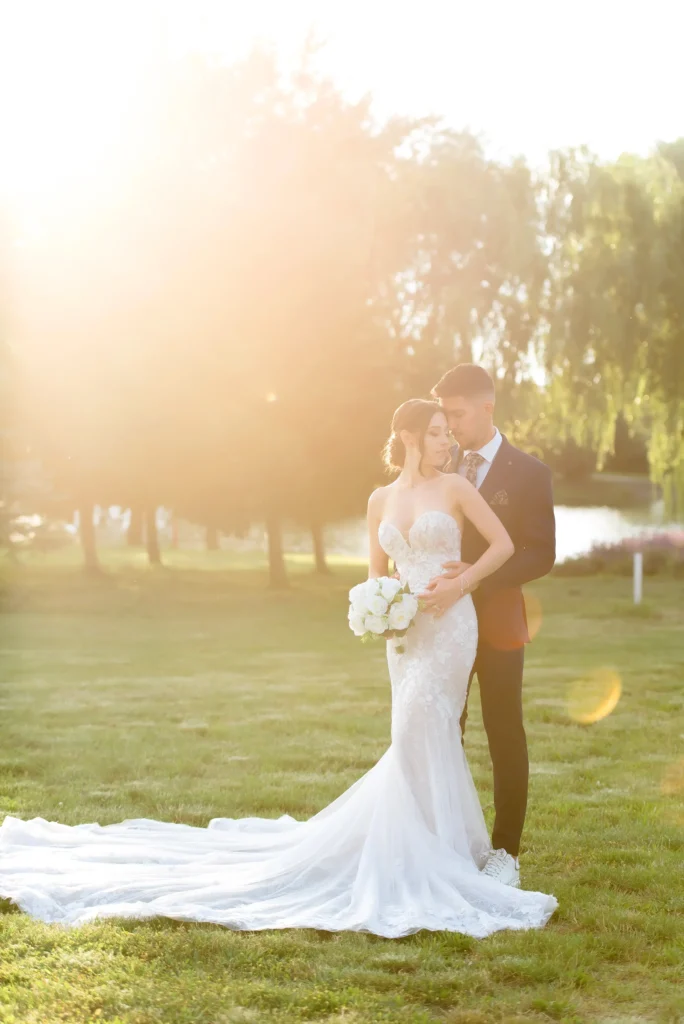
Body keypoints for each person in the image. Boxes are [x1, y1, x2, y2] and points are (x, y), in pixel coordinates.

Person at [0, 399, 557, 938]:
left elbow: (505, 545)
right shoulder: (378, 499)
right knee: (411, 730)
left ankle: (438, 851)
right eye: (436, 431)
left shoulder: (456, 487)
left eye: (447, 430)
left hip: (451, 625)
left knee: (426, 725)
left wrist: (460, 582)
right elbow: (374, 570)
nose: (446, 440)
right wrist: (381, 607)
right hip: (406, 632)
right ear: (410, 437)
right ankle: (431, 845)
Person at [422, 364, 556, 888]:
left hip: (499, 622)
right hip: (442, 624)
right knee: (443, 729)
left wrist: (476, 580)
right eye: (444, 416)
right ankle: (446, 841)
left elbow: (541, 554)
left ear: (486, 408)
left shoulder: (529, 472)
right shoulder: (439, 466)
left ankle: (506, 853)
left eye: (457, 414)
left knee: (504, 731)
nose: (450, 426)